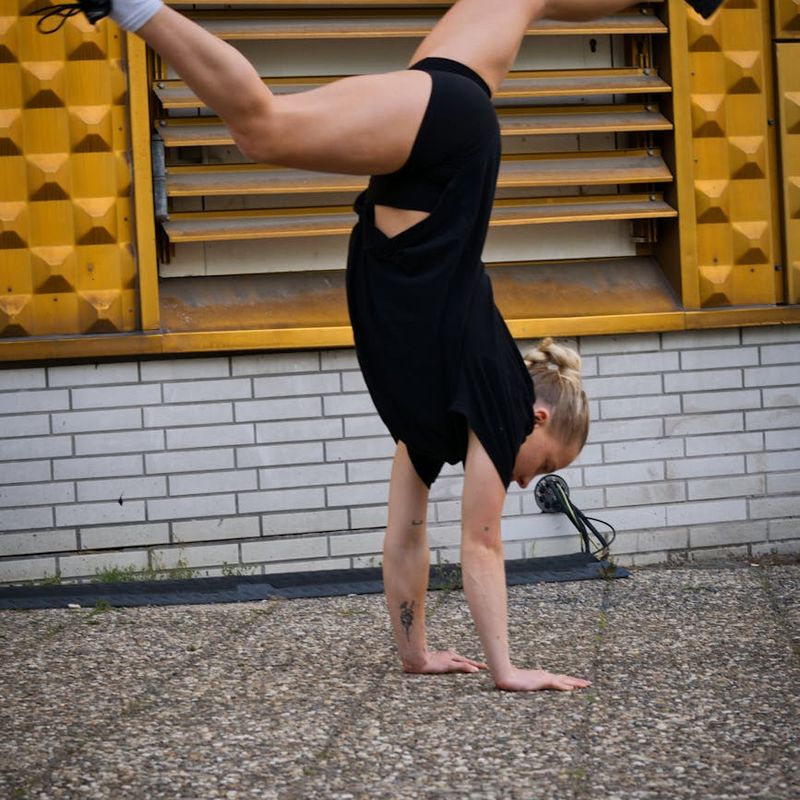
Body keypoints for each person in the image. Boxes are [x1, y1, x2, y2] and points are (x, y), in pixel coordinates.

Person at [36, 0, 722, 691]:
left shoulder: (435, 424)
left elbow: (405, 535)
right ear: (538, 419)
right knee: (262, 130)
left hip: (444, 139)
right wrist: (508, 670)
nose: (525, 481)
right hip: (446, 145)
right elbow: (481, 541)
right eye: (542, 466)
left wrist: (415, 653)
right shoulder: (502, 401)